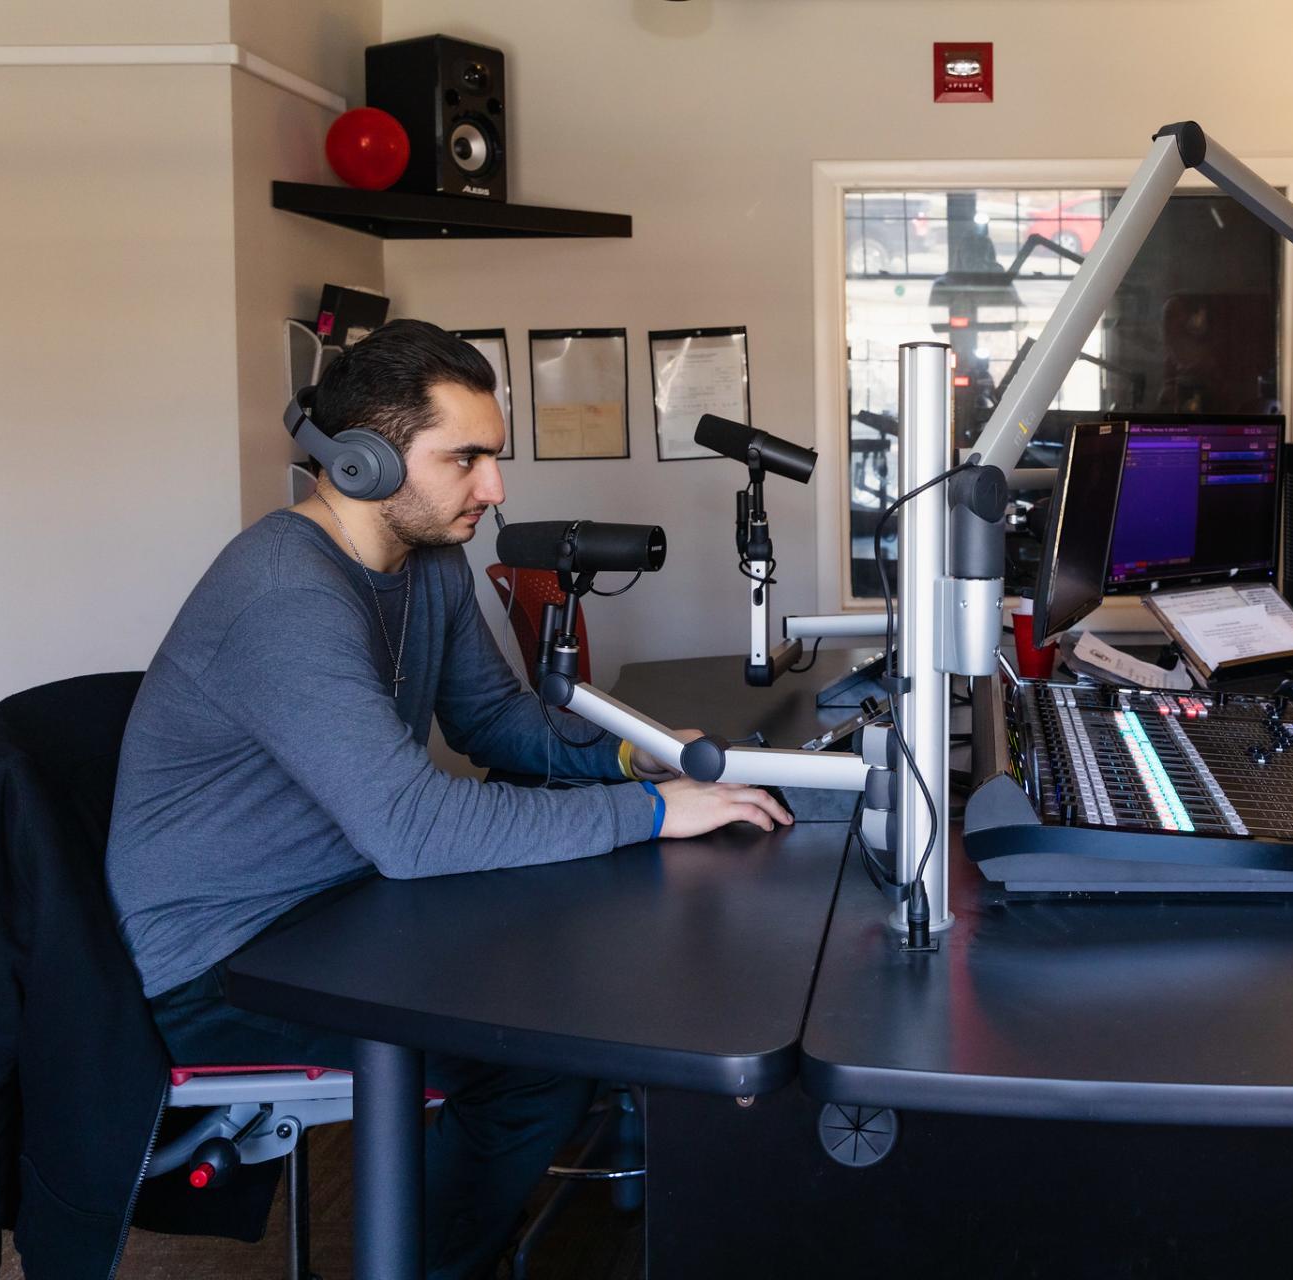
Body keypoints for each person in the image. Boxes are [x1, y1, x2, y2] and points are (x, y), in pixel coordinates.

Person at [106, 319, 791, 1279]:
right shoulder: (282, 595)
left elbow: (494, 721)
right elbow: (416, 829)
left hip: (341, 900)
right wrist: (654, 815)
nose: (496, 489)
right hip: (220, 961)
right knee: (534, 1061)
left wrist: (643, 760)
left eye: (493, 456)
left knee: (574, 955)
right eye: (465, 458)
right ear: (359, 464)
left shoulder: (427, 559)